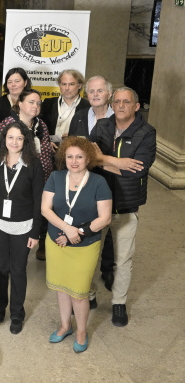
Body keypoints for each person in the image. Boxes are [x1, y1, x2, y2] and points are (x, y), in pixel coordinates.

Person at [89, 87, 156, 327]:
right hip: (98, 204)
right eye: (116, 101)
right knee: (92, 256)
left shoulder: (146, 132)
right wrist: (116, 162)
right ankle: (90, 296)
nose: (120, 105)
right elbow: (89, 160)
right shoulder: (102, 126)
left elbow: (137, 169)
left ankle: (118, 303)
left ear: (136, 106)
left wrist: (102, 160)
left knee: (123, 259)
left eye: (126, 102)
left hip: (127, 205)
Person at [42, 137, 112, 351]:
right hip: (57, 242)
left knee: (79, 292)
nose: (74, 161)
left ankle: (81, 330)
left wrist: (78, 232)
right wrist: (67, 229)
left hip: (85, 245)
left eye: (79, 157)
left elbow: (105, 218)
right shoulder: (56, 177)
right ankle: (65, 326)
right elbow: (46, 209)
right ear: (64, 157)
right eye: (70, 156)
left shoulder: (98, 182)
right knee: (61, 288)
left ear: (87, 158)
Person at [0, 122, 44, 334]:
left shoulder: (33, 164)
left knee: (18, 270)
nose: (14, 142)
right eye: (10, 137)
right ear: (4, 139)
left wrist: (36, 232)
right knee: (0, 268)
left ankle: (17, 312)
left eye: (19, 138)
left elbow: (38, 200)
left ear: (25, 141)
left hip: (24, 226)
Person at [69, 76, 114, 287]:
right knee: (88, 226)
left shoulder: (118, 119)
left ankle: (107, 269)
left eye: (100, 91)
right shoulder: (79, 117)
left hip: (113, 181)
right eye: (92, 91)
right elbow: (71, 148)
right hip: (84, 183)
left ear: (109, 94)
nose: (95, 95)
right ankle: (88, 278)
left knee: (109, 228)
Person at [0, 88, 55, 182]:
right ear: (20, 104)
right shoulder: (7, 125)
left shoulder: (42, 125)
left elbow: (46, 155)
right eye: (31, 102)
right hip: (14, 181)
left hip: (41, 180)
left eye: (38, 103)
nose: (35, 106)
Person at [40, 69, 90, 147]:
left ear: (79, 86)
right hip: (50, 151)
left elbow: (91, 135)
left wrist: (74, 138)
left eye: (71, 84)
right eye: (64, 84)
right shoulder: (48, 103)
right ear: (59, 85)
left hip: (75, 151)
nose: (67, 88)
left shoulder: (87, 107)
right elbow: (39, 130)